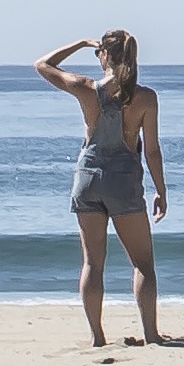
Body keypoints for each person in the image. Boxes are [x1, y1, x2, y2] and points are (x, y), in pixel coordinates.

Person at [34, 31, 169, 348]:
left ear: (104, 55)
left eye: (98, 53)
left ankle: (97, 337)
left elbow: (43, 64)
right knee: (142, 264)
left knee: (93, 263)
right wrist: (161, 190)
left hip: (88, 179)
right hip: (123, 180)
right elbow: (152, 151)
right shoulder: (146, 97)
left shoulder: (85, 89)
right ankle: (151, 335)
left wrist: (79, 44)